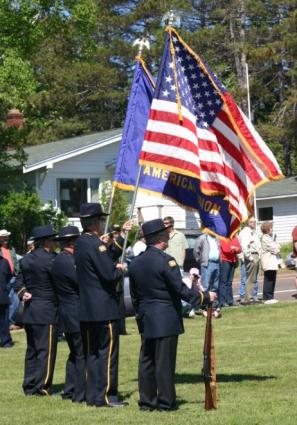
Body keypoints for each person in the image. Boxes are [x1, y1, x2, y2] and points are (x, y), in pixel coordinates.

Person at [129, 219, 217, 412]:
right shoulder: (166, 261)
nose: (168, 235)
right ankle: (166, 402)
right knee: (164, 362)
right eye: (165, 232)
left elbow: (135, 296)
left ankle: (147, 401)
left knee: (147, 361)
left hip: (146, 316)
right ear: (159, 237)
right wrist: (204, 297)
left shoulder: (135, 263)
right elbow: (180, 290)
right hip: (165, 317)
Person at [74, 203, 132, 408]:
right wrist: (121, 270)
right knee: (107, 354)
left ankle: (93, 395)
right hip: (104, 308)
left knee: (93, 354)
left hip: (87, 309)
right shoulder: (94, 244)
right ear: (95, 222)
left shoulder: (81, 242)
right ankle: (108, 396)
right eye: (100, 220)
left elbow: (103, 258)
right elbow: (108, 273)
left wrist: (121, 238)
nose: (101, 223)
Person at [15, 225, 58, 396]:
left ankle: (29, 385)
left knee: (32, 351)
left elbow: (18, 283)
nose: (55, 243)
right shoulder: (50, 260)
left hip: (30, 311)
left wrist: (23, 293)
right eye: (53, 239)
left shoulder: (25, 260)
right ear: (47, 241)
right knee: (45, 351)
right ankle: (43, 387)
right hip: (46, 310)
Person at [51, 226, 85, 402]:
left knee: (75, 354)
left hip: (69, 310)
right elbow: (79, 281)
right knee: (81, 353)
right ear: (72, 243)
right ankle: (79, 393)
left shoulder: (62, 259)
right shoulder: (66, 261)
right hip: (74, 311)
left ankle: (70, 389)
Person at [193, 232, 221, 317]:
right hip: (207, 264)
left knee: (215, 286)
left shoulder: (217, 238)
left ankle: (214, 307)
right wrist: (201, 261)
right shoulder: (202, 238)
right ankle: (204, 307)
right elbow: (196, 251)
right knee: (205, 286)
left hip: (217, 263)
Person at [239, 217, 261, 305]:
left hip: (256, 255)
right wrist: (250, 257)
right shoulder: (245, 232)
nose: (254, 223)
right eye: (251, 222)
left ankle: (251, 297)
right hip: (251, 255)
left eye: (254, 222)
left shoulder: (254, 233)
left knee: (254, 278)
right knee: (250, 279)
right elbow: (244, 247)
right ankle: (248, 298)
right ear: (247, 223)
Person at [0, 229, 20, 328]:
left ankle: (8, 322)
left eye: (6, 236)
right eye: (3, 236)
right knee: (4, 301)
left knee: (15, 301)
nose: (5, 238)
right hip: (3, 278)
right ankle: (5, 323)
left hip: (13, 277)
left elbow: (15, 261)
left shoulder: (11, 249)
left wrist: (17, 273)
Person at [260, 222, 280, 304]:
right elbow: (276, 249)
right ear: (267, 229)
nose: (272, 229)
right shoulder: (265, 238)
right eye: (271, 228)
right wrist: (276, 246)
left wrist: (276, 246)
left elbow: (277, 246)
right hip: (268, 261)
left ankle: (270, 297)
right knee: (269, 279)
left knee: (272, 278)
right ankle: (267, 298)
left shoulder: (269, 237)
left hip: (271, 261)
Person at [219, 234, 241, 308]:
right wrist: (234, 249)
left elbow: (239, 249)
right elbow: (226, 250)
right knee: (224, 281)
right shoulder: (223, 237)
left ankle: (230, 300)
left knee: (229, 282)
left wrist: (234, 248)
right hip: (225, 260)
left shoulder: (234, 237)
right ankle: (222, 301)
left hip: (232, 261)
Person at [0, 255, 13, 348]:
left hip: (2, 295)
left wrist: (6, 289)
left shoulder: (4, 262)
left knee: (4, 320)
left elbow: (9, 278)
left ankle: (6, 341)